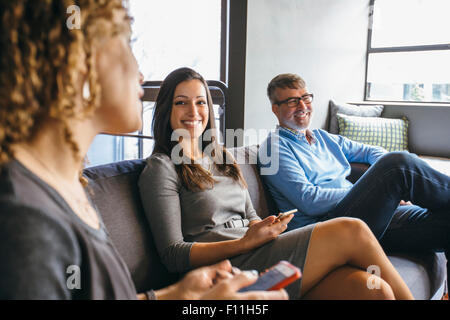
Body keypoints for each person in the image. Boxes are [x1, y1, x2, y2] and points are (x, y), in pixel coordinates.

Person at [0, 0, 287, 300]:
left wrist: (179, 295)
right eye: (126, 44)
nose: (140, 74)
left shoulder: (68, 187)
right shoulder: (22, 215)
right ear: (77, 61)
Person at [138, 67, 415, 300]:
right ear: (166, 109)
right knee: (352, 229)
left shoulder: (222, 157)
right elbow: (172, 254)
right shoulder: (161, 167)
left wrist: (267, 227)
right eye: (181, 102)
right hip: (226, 267)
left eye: (200, 102)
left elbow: (251, 218)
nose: (193, 111)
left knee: (373, 289)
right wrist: (244, 243)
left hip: (262, 253)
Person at [257, 73, 450, 287]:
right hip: (328, 227)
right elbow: (309, 200)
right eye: (292, 101)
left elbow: (371, 151)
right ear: (275, 108)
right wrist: (372, 191)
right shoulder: (273, 148)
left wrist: (378, 193)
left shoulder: (323, 138)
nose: (302, 106)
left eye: (306, 98)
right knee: (398, 164)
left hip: (364, 218)